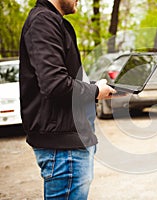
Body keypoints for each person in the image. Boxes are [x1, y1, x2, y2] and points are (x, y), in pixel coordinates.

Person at [19, 0, 115, 199]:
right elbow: (56, 85)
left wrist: (99, 87)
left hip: (70, 144)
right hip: (64, 148)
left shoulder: (52, 21)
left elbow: (65, 80)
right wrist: (96, 91)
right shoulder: (43, 21)